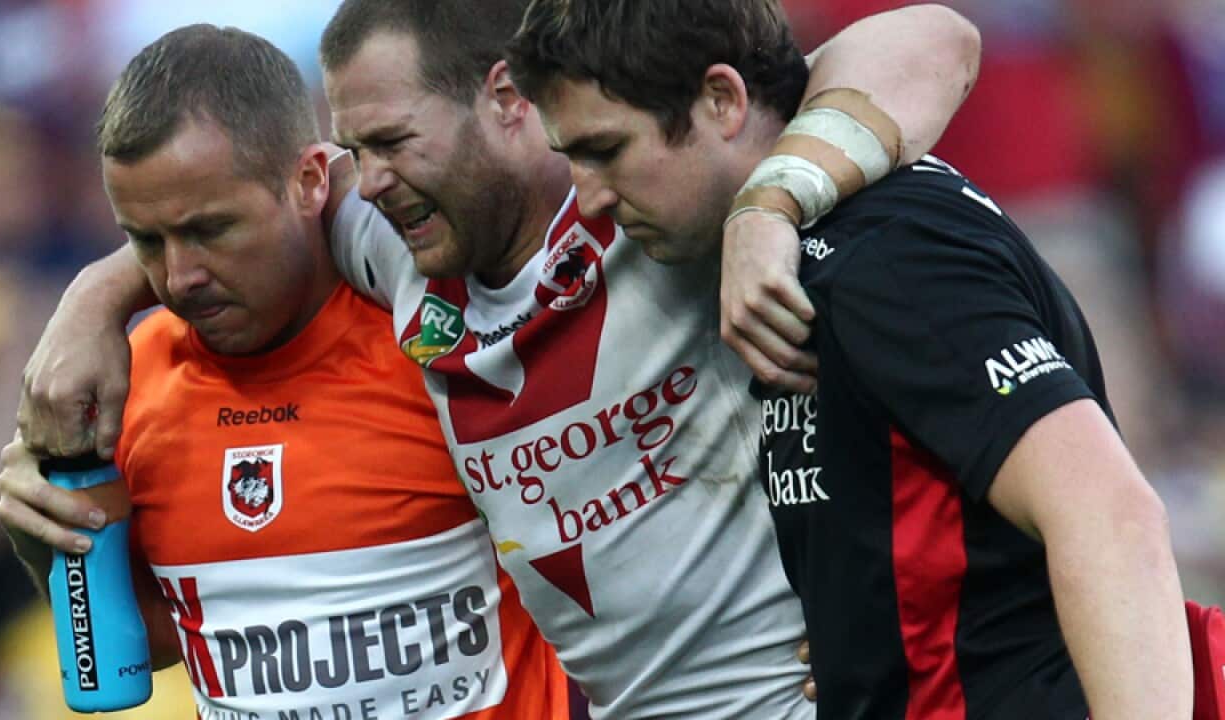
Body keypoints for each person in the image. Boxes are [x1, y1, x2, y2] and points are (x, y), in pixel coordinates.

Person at [6, 2, 981, 718]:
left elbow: (932, 39)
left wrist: (773, 202)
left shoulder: (650, 208)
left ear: (507, 100)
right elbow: (232, 218)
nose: (368, 179)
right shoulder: (398, 252)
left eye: (386, 142)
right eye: (354, 149)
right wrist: (91, 303)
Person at [504, 1, 1194, 718]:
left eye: (607, 151)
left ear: (721, 101)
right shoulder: (806, 242)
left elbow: (1110, 517)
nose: (589, 200)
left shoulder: (881, 256)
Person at [0, 24, 568, 720]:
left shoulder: (434, 343)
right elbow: (157, 643)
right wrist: (48, 546)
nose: (180, 276)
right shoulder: (132, 382)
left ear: (308, 182)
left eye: (211, 229)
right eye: (145, 240)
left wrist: (94, 291)